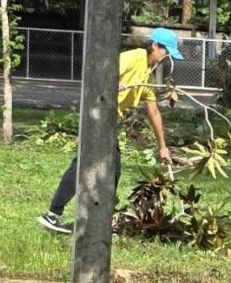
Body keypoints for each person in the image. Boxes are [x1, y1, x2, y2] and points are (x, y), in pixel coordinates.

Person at [37, 27, 184, 234]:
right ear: (154, 46)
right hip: (98, 113)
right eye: (165, 51)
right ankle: (56, 215)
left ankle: (97, 218)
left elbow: (154, 112)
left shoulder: (147, 76)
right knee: (88, 166)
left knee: (107, 168)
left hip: (109, 118)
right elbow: (101, 72)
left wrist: (163, 147)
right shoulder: (134, 57)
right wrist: (115, 81)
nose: (166, 56)